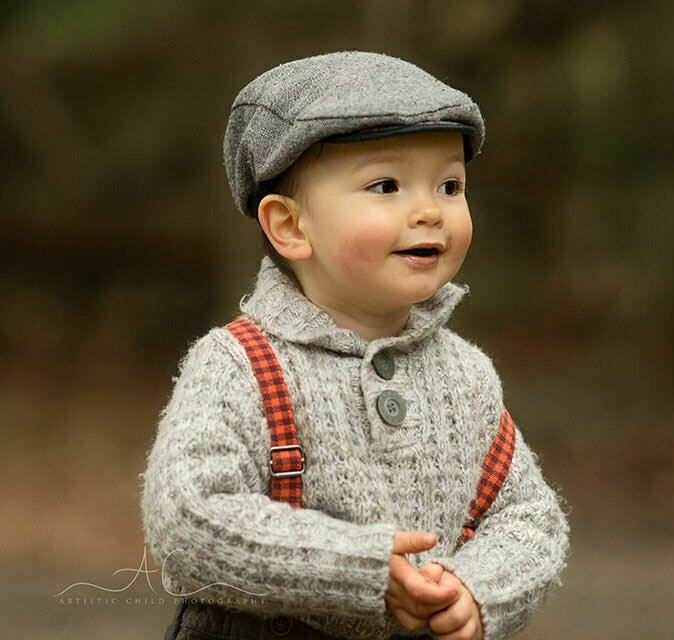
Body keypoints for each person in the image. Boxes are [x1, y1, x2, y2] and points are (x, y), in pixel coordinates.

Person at [141, 51, 568, 640]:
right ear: (290, 227)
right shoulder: (240, 366)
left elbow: (527, 515)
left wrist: (475, 587)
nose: (428, 210)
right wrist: (357, 567)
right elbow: (187, 516)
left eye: (450, 185)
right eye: (386, 185)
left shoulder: (467, 376)